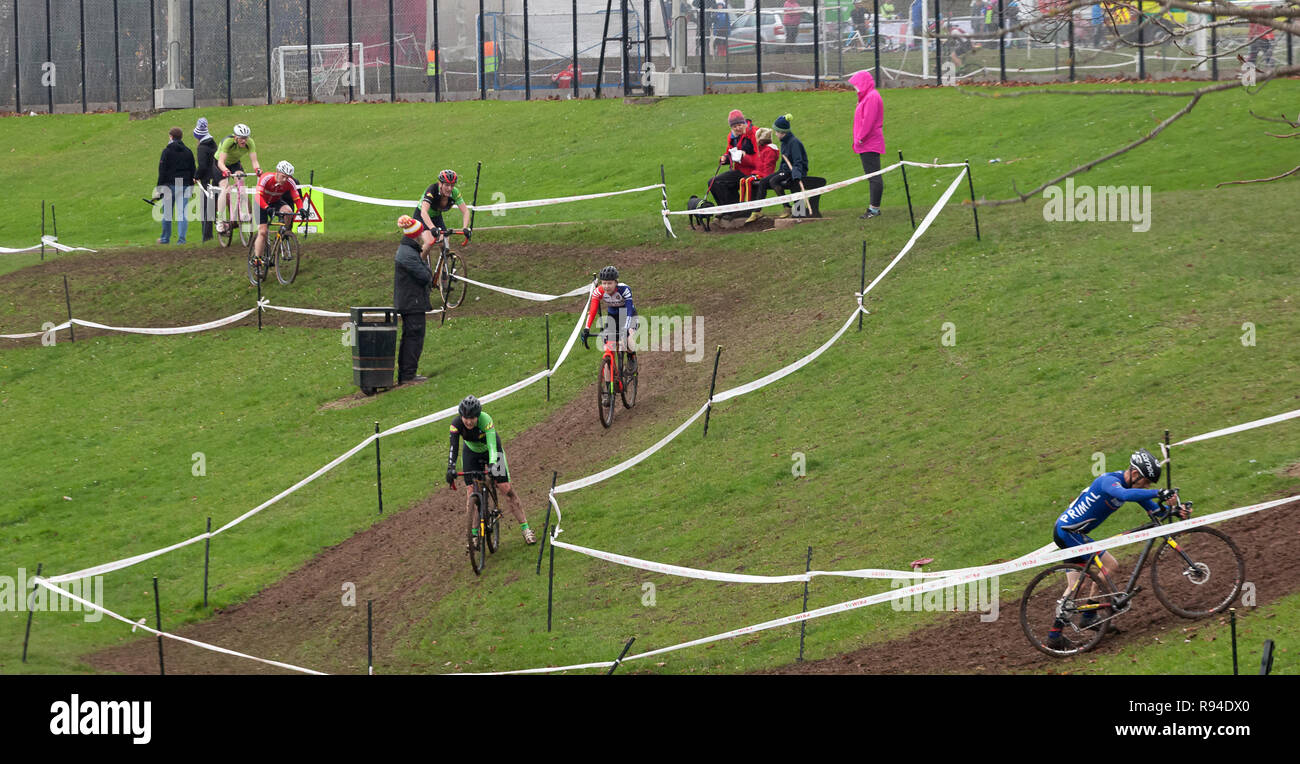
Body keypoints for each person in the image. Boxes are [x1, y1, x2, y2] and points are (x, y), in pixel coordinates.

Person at [1047, 448, 1188, 649]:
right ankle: (1088, 615)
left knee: (1074, 587)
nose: (1147, 486)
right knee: (1110, 565)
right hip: (1068, 533)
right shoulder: (1109, 482)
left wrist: (1175, 510)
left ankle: (1055, 635)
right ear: (1135, 474)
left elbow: (1156, 511)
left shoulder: (1133, 488)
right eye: (1146, 481)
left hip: (1073, 533)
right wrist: (1158, 492)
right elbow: (1124, 494)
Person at [446, 395, 536, 546]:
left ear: (478, 416)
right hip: (471, 453)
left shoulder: (486, 420)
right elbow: (453, 448)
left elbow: (493, 446)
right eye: (465, 418)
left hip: (491, 450)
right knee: (471, 492)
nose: (469, 421)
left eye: (473, 418)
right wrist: (451, 468)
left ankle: (526, 529)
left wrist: (493, 464)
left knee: (506, 489)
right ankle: (473, 535)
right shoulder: (455, 425)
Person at [393, 215, 434, 386]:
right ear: (415, 235)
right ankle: (408, 375)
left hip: (410, 301)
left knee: (411, 337)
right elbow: (425, 276)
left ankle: (407, 373)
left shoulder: (408, 250)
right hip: (412, 303)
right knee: (413, 337)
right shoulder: (408, 254)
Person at [750, 114, 810, 223]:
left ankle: (787, 207)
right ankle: (757, 211)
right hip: (785, 170)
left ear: (783, 132)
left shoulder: (794, 142)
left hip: (793, 171)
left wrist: (797, 175)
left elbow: (798, 161)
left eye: (777, 132)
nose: (776, 134)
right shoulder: (784, 143)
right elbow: (784, 161)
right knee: (763, 182)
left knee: (774, 181)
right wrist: (780, 170)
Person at [581, 266, 639, 376]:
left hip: (627, 314)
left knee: (628, 337)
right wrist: (586, 328)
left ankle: (631, 356)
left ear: (616, 282)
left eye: (609, 283)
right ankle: (609, 387)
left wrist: (626, 329)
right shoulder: (598, 292)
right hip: (612, 316)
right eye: (604, 283)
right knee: (608, 347)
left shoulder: (624, 289)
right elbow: (592, 311)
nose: (606, 286)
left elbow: (629, 310)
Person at [250, 160, 304, 269]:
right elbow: (258, 196)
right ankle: (257, 258)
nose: (285, 180)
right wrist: (266, 208)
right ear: (277, 172)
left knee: (288, 211)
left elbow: (297, 198)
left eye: (288, 177)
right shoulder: (266, 178)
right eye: (283, 176)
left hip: (275, 202)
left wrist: (301, 209)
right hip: (261, 203)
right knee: (263, 231)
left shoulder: (290, 182)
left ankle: (283, 233)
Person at [707, 109, 760, 216]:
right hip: (738, 170)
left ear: (744, 123)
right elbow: (729, 152)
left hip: (752, 171)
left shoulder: (754, 133)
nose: (738, 128)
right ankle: (728, 210)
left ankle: (735, 212)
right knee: (713, 182)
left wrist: (744, 157)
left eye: (740, 125)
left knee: (721, 182)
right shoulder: (732, 137)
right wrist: (725, 158)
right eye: (734, 127)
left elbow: (761, 158)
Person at [849, 69, 885, 219]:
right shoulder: (867, 97)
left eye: (856, 84)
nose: (855, 88)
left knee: (874, 176)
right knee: (872, 176)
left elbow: (868, 121)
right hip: (866, 143)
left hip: (869, 143)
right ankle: (874, 208)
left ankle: (874, 209)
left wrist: (860, 138)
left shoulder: (871, 97)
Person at [215, 123, 261, 233]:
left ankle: (244, 212)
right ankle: (220, 221)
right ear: (235, 137)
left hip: (235, 163)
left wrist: (257, 170)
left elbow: (254, 161)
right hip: (220, 164)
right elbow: (221, 162)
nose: (244, 141)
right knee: (224, 187)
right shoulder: (228, 142)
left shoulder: (250, 143)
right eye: (241, 138)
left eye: (246, 138)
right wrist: (225, 171)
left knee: (241, 181)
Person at [155, 126, 196, 244]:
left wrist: (159, 187)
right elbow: (193, 169)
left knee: (167, 213)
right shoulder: (188, 151)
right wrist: (191, 186)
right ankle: (181, 239)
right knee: (182, 214)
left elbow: (162, 170)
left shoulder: (166, 151)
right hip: (184, 184)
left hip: (170, 184)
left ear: (171, 137)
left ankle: (165, 238)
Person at [413, 169, 472, 245]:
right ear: (440, 184)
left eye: (452, 185)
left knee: (445, 243)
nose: (449, 188)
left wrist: (465, 228)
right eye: (447, 185)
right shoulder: (432, 190)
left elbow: (466, 211)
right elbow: (424, 212)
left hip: (436, 216)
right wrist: (432, 228)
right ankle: (421, 257)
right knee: (429, 243)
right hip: (422, 216)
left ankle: (444, 256)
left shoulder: (455, 192)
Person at [192, 117, 220, 242]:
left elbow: (202, 166)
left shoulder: (202, 148)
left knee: (205, 208)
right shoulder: (214, 144)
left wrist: (196, 175)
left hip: (206, 181)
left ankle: (207, 236)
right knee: (213, 207)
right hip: (216, 178)